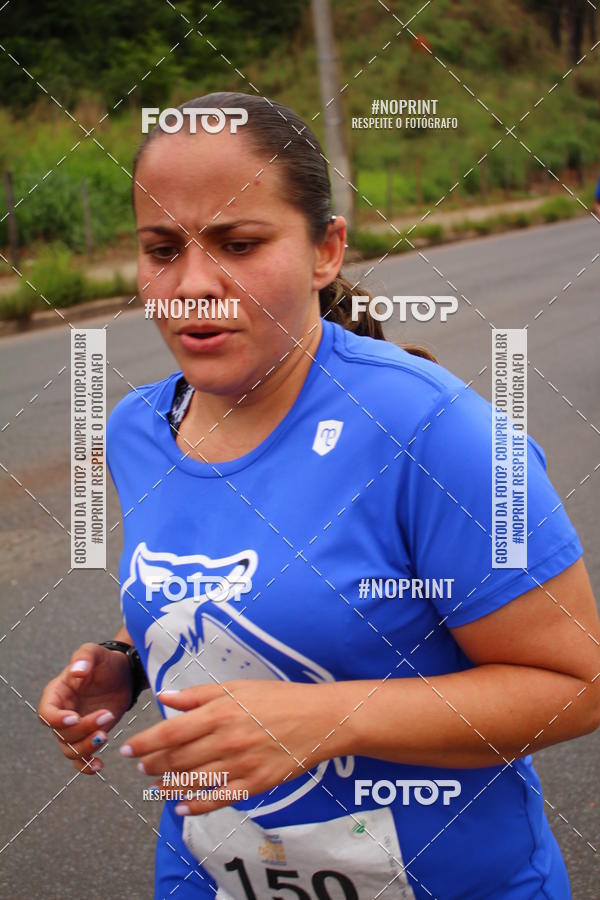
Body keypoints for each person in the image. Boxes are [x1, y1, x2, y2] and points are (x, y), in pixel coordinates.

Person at [38, 92, 600, 900]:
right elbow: (231, 591)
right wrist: (128, 663)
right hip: (208, 875)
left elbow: (575, 689)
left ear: (325, 250)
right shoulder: (137, 429)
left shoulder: (437, 431)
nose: (193, 285)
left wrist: (325, 719)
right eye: (162, 249)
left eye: (238, 243)